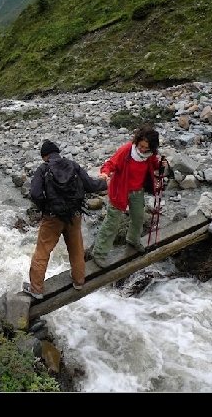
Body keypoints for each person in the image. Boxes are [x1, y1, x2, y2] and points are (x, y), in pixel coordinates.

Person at [22, 140, 108, 299]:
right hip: (74, 215)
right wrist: (106, 182)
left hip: (53, 217)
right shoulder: (72, 165)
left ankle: (36, 289)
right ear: (57, 152)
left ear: (44, 156)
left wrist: (45, 208)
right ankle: (79, 281)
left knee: (43, 251)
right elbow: (90, 185)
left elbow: (35, 194)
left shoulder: (43, 169)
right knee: (76, 248)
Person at [92, 125, 168, 267]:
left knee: (138, 217)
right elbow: (110, 164)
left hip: (137, 190)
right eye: (141, 146)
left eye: (147, 147)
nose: (143, 149)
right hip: (120, 190)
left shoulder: (149, 154)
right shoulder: (126, 151)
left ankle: (133, 240)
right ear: (137, 141)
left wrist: (160, 164)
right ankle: (99, 253)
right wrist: (104, 173)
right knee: (112, 223)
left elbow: (154, 165)